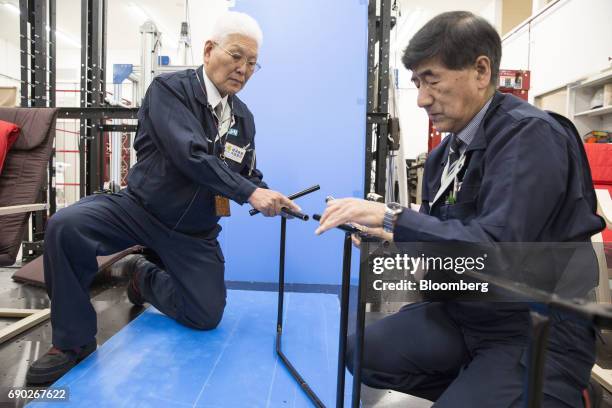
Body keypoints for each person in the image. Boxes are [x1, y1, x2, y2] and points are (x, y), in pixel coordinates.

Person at [316, 11, 605, 407]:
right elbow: (445, 245)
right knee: (361, 351)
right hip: (467, 314)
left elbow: (496, 248)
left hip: (535, 328)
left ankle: (545, 393)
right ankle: (481, 388)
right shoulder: (441, 159)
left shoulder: (531, 136)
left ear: (481, 71)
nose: (421, 98)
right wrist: (387, 242)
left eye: (431, 79)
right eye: (417, 83)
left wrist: (392, 217)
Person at [26, 11, 299, 384]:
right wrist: (250, 193)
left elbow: (245, 171)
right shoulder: (169, 90)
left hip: (193, 230)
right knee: (65, 226)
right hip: (139, 209)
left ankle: (142, 277)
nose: (243, 68)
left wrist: (268, 193)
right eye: (236, 55)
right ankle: (72, 342)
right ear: (208, 50)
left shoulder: (243, 118)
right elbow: (190, 155)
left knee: (206, 315)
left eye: (252, 63)